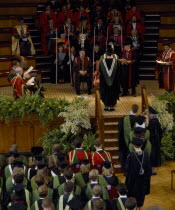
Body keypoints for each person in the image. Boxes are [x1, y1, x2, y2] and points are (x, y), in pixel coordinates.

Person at [125, 138, 152, 208]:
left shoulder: (130, 156)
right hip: (142, 182)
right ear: (141, 145)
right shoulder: (146, 155)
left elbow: (127, 171)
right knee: (140, 200)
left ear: (133, 146)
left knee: (132, 200)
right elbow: (149, 171)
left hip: (132, 182)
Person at [99, 44, 120, 111]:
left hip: (104, 81)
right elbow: (119, 70)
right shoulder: (116, 61)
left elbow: (100, 70)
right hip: (114, 80)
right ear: (112, 53)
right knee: (112, 92)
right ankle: (111, 106)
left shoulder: (102, 61)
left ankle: (106, 105)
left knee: (105, 91)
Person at [118, 104, 139, 169]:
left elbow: (120, 130)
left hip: (124, 143)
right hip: (135, 144)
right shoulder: (139, 120)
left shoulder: (123, 119)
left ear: (130, 109)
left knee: (124, 154)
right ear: (137, 111)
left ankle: (125, 168)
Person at [147, 106, 162, 175]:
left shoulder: (152, 123)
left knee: (152, 155)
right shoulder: (157, 121)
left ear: (150, 115)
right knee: (155, 155)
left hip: (153, 142)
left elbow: (149, 132)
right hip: (157, 141)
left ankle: (152, 170)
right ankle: (154, 169)